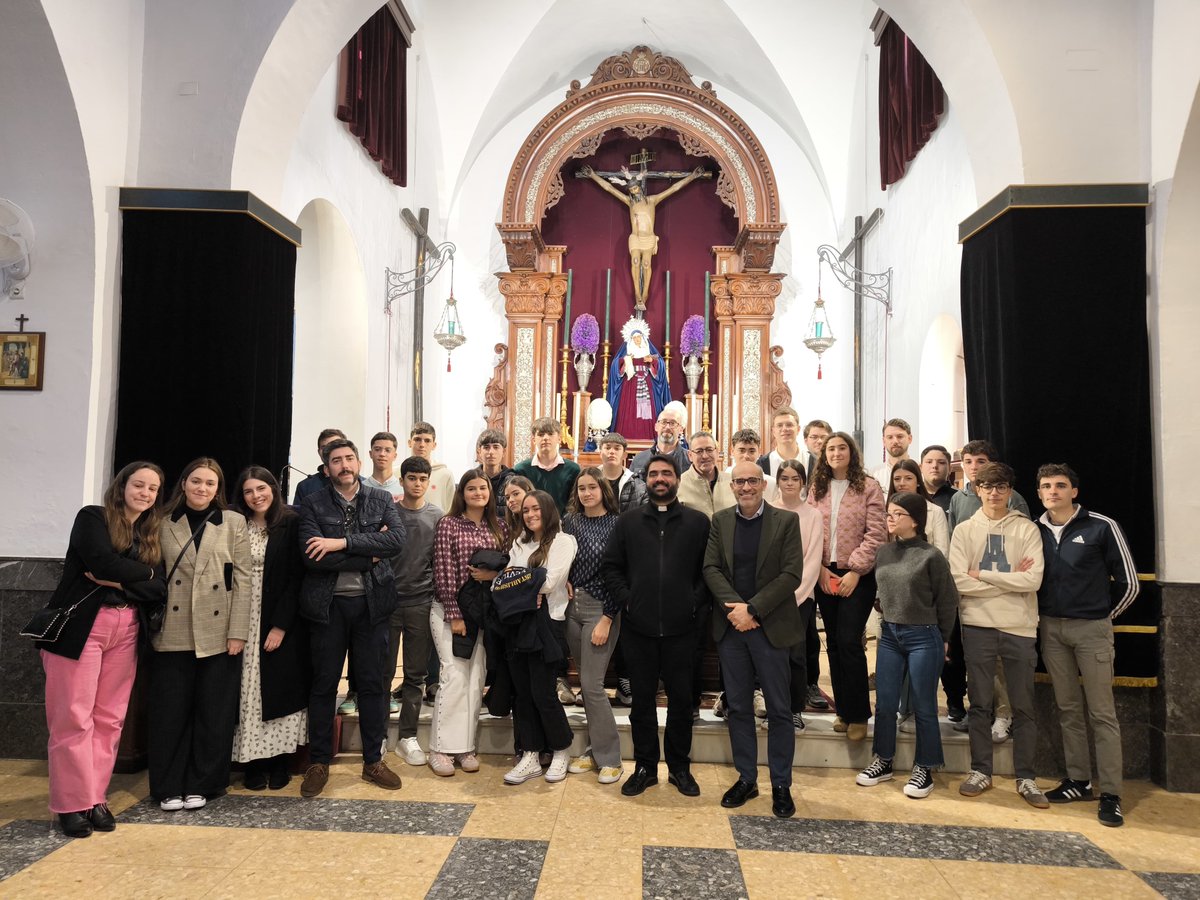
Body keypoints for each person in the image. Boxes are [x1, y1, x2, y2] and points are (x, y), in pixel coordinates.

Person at [39, 462, 167, 837]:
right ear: (122, 485)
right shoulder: (93, 517)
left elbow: (159, 586)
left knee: (109, 719)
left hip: (126, 627)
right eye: (138, 484)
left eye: (153, 489)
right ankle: (70, 804)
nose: (145, 493)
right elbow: (99, 562)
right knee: (73, 717)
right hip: (82, 626)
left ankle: (95, 798)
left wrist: (125, 580)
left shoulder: (149, 532)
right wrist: (141, 575)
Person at [296, 439, 405, 798]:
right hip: (327, 607)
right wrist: (369, 549)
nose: (343, 465)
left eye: (348, 458)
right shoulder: (311, 504)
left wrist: (339, 544)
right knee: (324, 685)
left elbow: (396, 542)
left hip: (372, 605)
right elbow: (312, 557)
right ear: (326, 468)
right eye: (335, 460)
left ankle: (374, 760)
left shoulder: (380, 500)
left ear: (358, 462)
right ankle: (318, 762)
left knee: (373, 685)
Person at [1035, 463, 1138, 827]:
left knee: (1102, 713)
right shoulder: (1035, 529)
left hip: (1092, 629)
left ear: (1074, 492)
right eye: (1046, 486)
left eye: (1060, 485)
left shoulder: (1101, 525)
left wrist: (1102, 617)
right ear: (1039, 492)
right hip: (1051, 629)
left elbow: (1129, 583)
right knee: (1067, 708)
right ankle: (1078, 780)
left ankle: (1111, 793)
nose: (1053, 491)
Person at [603, 455, 710, 798]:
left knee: (681, 701)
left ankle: (679, 767)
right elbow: (611, 567)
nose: (660, 479)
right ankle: (646, 767)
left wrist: (693, 601)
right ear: (645, 480)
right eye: (654, 474)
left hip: (683, 629)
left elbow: (708, 571)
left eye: (666, 473)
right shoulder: (628, 522)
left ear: (677, 479)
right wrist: (628, 599)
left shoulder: (697, 523)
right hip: (639, 629)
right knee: (641, 703)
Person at [704, 461, 805, 818]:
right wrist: (737, 610)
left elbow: (792, 574)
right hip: (732, 629)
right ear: (731, 487)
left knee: (779, 709)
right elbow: (710, 568)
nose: (745, 487)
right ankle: (747, 778)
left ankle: (781, 784)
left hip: (770, 628)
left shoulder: (785, 521)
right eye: (738, 482)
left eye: (751, 481)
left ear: (763, 484)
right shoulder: (722, 520)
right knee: (740, 709)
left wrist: (753, 610)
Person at [151, 458, 251, 811]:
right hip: (173, 630)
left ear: (218, 489)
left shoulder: (233, 522)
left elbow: (243, 578)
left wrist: (238, 631)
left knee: (214, 712)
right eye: (196, 481)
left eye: (210, 483)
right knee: (170, 713)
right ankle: (167, 785)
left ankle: (204, 784)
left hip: (219, 629)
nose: (202, 489)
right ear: (183, 483)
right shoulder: (162, 521)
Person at [949, 462, 1047, 808]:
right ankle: (980, 771)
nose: (993, 493)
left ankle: (1026, 777)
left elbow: (1032, 581)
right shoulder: (963, 531)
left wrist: (983, 577)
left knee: (1023, 705)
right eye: (987, 487)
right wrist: (1007, 584)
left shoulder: (1027, 530)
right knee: (979, 703)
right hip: (977, 625)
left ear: (1009, 491)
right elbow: (958, 581)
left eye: (1000, 487)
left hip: (1019, 627)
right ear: (977, 490)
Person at [855, 492, 959, 800]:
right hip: (890, 634)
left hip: (924, 635)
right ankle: (883, 760)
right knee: (885, 702)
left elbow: (948, 600)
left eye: (896, 514)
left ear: (915, 520)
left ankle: (924, 767)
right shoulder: (884, 552)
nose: (889, 518)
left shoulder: (931, 555)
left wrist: (944, 638)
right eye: (888, 513)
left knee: (924, 705)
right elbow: (883, 591)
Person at [229, 467, 309, 791]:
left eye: (261, 488)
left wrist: (280, 626)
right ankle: (252, 763)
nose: (256, 496)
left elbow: (295, 576)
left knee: (277, 689)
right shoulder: (235, 524)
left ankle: (278, 762)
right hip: (241, 616)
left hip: (278, 617)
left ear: (273, 489)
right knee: (246, 690)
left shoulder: (290, 523)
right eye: (249, 491)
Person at [946, 440, 1031, 743]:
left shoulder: (1014, 500)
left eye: (980, 461)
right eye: (967, 462)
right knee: (975, 662)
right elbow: (958, 556)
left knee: (1001, 665)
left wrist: (990, 581)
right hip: (972, 599)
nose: (973, 468)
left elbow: (1021, 560)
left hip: (1007, 603)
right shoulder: (958, 500)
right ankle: (979, 710)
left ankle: (1004, 714)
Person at [806, 432, 886, 741]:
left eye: (842, 447)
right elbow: (811, 529)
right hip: (825, 573)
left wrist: (855, 570)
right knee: (835, 645)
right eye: (831, 449)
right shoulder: (817, 489)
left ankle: (859, 714)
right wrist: (821, 569)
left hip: (859, 576)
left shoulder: (868, 487)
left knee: (850, 641)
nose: (836, 453)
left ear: (851, 452)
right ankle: (842, 709)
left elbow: (877, 532)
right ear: (824, 455)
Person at [429, 469, 508, 776]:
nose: (478, 493)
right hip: (453, 610)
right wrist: (454, 614)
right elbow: (444, 569)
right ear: (462, 493)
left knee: (476, 679)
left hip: (485, 611)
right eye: (471, 488)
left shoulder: (499, 525)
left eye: (483, 488)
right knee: (453, 676)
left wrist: (494, 575)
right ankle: (440, 748)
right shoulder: (448, 524)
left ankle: (465, 748)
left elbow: (507, 564)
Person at [501, 490, 578, 785]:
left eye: (536, 509)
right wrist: (526, 584)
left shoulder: (563, 541)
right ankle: (531, 754)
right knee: (522, 694)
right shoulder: (520, 542)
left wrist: (521, 583)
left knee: (544, 692)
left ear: (548, 510)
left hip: (547, 623)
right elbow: (505, 579)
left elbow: (550, 582)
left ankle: (561, 750)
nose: (531, 515)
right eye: (526, 510)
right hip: (518, 623)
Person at [561, 469, 624, 783]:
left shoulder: (617, 524)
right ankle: (592, 750)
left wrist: (608, 618)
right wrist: (565, 581)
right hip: (571, 608)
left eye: (592, 487)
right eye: (581, 488)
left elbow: (620, 574)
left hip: (601, 610)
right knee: (586, 687)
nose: (586, 493)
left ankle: (611, 757)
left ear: (603, 489)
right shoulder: (569, 521)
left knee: (592, 685)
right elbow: (558, 559)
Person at [580, 163, 706, 310]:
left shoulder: (652, 200)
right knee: (634, 261)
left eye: (636, 188)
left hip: (649, 238)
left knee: (646, 264)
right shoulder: (630, 202)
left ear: (640, 187)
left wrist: (692, 176)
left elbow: (674, 189)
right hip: (635, 237)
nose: (634, 191)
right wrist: (593, 175)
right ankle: (637, 294)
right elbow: (610, 189)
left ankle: (644, 294)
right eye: (632, 190)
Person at [387, 456, 444, 766]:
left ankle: (407, 736)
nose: (417, 484)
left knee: (415, 674)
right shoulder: (389, 513)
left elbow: (440, 560)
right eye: (412, 478)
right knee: (381, 672)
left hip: (421, 602)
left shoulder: (437, 516)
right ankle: (378, 734)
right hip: (388, 603)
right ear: (402, 479)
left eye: (422, 479)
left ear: (428, 482)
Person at [768, 458, 824, 731]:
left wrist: (795, 595)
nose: (789, 483)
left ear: (803, 482)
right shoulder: (766, 511)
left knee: (795, 654)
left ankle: (794, 709)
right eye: (784, 478)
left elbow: (812, 560)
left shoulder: (813, 515)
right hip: (768, 597)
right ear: (777, 481)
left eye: (795, 479)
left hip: (800, 597)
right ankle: (773, 706)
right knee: (770, 656)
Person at [606, 317, 672, 441]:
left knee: (648, 412)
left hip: (647, 385)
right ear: (630, 339)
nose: (637, 340)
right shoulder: (627, 353)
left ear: (643, 337)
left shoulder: (648, 351)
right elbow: (616, 366)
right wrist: (625, 361)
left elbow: (661, 366)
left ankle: (648, 439)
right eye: (634, 338)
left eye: (639, 337)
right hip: (629, 386)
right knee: (628, 412)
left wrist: (652, 361)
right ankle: (626, 438)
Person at [513, 416, 581, 514]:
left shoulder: (573, 470)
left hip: (564, 525)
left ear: (559, 438)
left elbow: (574, 503)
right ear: (534, 440)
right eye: (540, 434)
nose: (545, 438)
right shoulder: (521, 470)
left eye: (550, 434)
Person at [889, 459, 949, 556]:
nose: (902, 483)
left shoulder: (935, 511)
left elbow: (942, 552)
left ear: (918, 481)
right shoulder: (887, 512)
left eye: (908, 478)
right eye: (897, 479)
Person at [677, 430, 735, 518]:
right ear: (690, 455)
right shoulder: (678, 485)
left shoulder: (733, 481)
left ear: (717, 452)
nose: (705, 456)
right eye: (699, 451)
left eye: (709, 450)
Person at [408, 422, 456, 512]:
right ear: (410, 443)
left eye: (427, 441)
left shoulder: (445, 474)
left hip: (438, 524)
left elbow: (452, 510)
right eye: (417, 439)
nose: (422, 445)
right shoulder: (397, 473)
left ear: (434, 445)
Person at [630, 408, 689, 479]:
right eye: (663, 422)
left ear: (681, 430)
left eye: (673, 423)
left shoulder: (689, 461)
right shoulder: (639, 459)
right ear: (656, 427)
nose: (667, 427)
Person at [598, 432, 647, 512]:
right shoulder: (590, 480)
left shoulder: (638, 485)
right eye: (607, 448)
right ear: (600, 453)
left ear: (624, 455)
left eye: (617, 448)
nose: (612, 452)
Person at [293, 428, 346, 502]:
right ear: (319, 452)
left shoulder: (361, 483)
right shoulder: (305, 486)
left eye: (334, 446)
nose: (329, 451)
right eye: (324, 447)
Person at [728, 428, 777, 502]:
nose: (746, 456)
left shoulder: (772, 484)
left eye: (752, 451)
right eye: (741, 450)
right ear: (732, 451)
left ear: (759, 452)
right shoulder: (721, 481)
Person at [476, 428, 514, 516]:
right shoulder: (471, 479)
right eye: (486, 447)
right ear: (479, 452)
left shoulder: (513, 480)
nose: (491, 452)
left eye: (496, 447)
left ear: (503, 451)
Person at [756, 407, 804, 476]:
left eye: (789, 425)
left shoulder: (812, 461)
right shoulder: (763, 463)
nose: (784, 429)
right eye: (779, 425)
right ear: (773, 431)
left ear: (798, 429)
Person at [870, 418, 913, 487]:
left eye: (900, 436)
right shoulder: (873, 475)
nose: (895, 441)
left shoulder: (921, 472)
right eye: (890, 437)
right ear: (884, 441)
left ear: (910, 439)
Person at [364, 431, 402, 501]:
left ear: (395, 456)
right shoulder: (360, 488)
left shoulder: (404, 489)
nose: (382, 454)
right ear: (370, 454)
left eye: (387, 450)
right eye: (377, 449)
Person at [919, 444, 956, 513]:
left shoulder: (958, 497)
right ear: (920, 468)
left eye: (941, 462)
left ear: (950, 468)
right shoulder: (912, 494)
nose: (934, 466)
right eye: (929, 462)